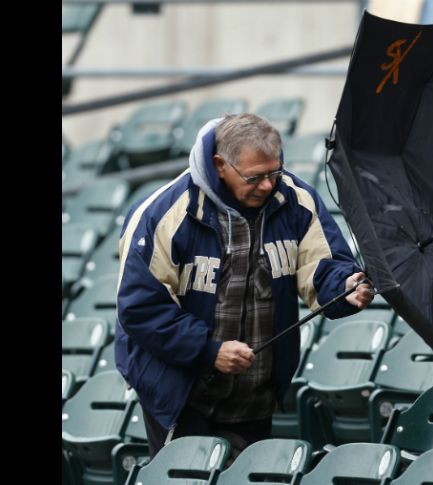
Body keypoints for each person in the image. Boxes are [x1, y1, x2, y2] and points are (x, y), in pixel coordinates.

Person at [115, 113, 373, 458]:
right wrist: (209, 350)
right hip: (181, 394)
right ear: (220, 164)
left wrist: (345, 286)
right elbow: (139, 308)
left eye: (275, 172)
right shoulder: (161, 213)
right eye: (255, 177)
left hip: (256, 391)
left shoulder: (297, 201)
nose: (268, 185)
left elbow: (323, 266)